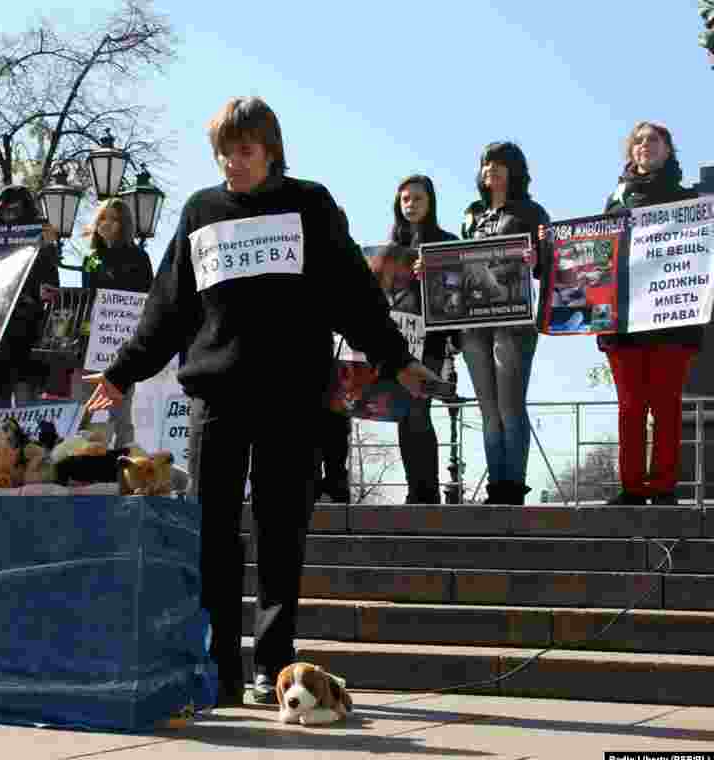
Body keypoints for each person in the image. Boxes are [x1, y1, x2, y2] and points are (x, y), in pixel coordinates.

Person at [83, 96, 440, 707]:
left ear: (271, 150)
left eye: (245, 150)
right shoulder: (200, 211)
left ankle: (274, 665)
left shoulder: (311, 204)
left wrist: (395, 359)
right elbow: (169, 308)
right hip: (216, 396)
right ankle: (219, 667)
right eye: (224, 151)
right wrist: (122, 371)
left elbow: (352, 294)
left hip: (293, 395)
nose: (232, 162)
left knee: (281, 531)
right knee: (212, 534)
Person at [600, 122, 698, 506]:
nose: (645, 145)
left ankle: (664, 487)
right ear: (631, 152)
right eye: (638, 140)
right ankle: (632, 487)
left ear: (668, 150)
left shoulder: (690, 200)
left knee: (666, 404)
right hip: (624, 320)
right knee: (630, 406)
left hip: (672, 318)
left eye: (654, 140)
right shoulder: (615, 199)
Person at [455, 142, 549, 505]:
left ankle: (514, 485)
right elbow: (456, 263)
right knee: (488, 409)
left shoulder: (531, 210)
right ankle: (496, 485)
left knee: (511, 406)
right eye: (485, 165)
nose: (490, 170)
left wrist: (536, 254)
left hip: (514, 321)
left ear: (514, 170)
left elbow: (546, 265)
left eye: (499, 164)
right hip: (472, 321)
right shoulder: (471, 214)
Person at [386, 175, 459, 504]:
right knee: (405, 413)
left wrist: (433, 274)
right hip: (398, 339)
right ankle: (416, 487)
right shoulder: (391, 246)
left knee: (419, 410)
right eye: (405, 199)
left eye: (417, 198)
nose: (410, 204)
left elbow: (461, 287)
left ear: (430, 203)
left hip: (431, 339)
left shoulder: (446, 241)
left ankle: (426, 491)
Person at [74, 197, 153, 448]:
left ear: (124, 224)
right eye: (102, 218)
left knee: (121, 415)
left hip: (121, 349)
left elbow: (144, 302)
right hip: (90, 347)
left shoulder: (139, 257)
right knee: (82, 415)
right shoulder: (91, 259)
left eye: (114, 219)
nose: (106, 223)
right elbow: (86, 302)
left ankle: (124, 470)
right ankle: (78, 468)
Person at [0, 185, 60, 409]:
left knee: (26, 412)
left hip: (27, 337)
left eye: (15, 210)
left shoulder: (41, 240)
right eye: (5, 210)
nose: (10, 215)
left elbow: (50, 287)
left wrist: (49, 247)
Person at [316, 207, 355, 504]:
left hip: (340, 353)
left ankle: (335, 482)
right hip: (315, 351)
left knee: (335, 420)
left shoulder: (351, 261)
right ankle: (322, 482)